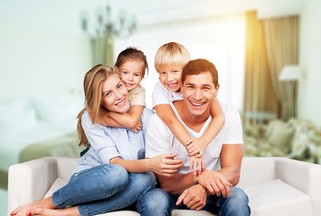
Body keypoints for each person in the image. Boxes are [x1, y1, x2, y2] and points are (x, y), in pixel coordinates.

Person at [10, 64, 183, 216]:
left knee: (153, 193)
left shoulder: (147, 116)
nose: (119, 95)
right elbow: (116, 163)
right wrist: (149, 164)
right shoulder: (92, 118)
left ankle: (69, 214)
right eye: (108, 93)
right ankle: (47, 203)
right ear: (99, 100)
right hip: (96, 182)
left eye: (119, 86)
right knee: (117, 173)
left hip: (134, 186)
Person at [137, 59, 251, 216]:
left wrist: (202, 187)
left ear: (216, 90)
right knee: (153, 202)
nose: (197, 96)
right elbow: (167, 183)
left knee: (237, 198)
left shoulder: (229, 114)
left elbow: (233, 172)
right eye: (191, 87)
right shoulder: (159, 121)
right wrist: (202, 176)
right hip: (170, 194)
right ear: (181, 87)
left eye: (205, 88)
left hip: (211, 191)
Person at [152, 42, 225, 175]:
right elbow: (171, 120)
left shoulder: (199, 87)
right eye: (163, 72)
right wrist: (194, 152)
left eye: (174, 71)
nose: (169, 79)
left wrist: (202, 142)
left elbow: (219, 117)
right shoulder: (160, 90)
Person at [97, 47, 148, 133]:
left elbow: (132, 122)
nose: (130, 78)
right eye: (125, 72)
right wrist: (125, 125)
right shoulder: (108, 84)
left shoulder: (138, 92)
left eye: (136, 75)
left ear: (142, 77)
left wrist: (107, 112)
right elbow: (98, 118)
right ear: (116, 71)